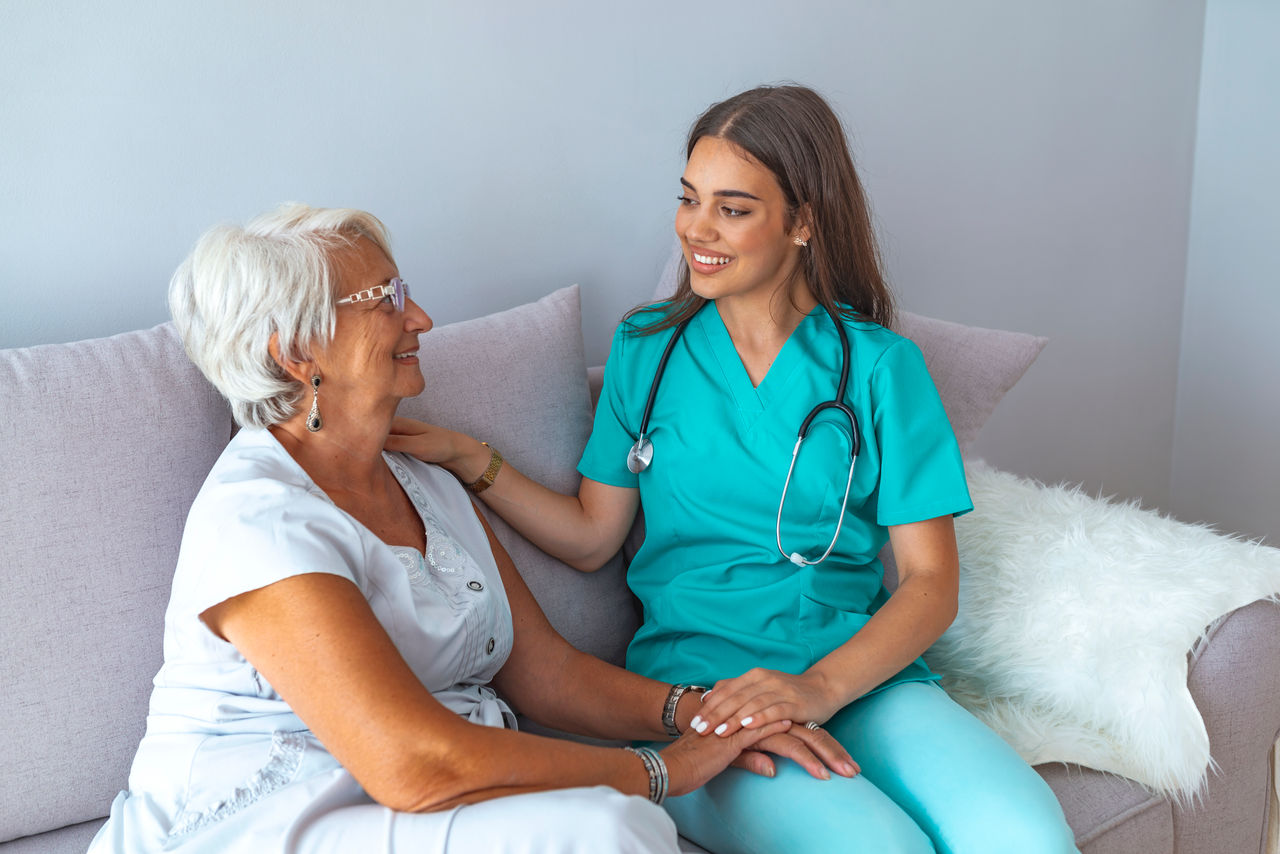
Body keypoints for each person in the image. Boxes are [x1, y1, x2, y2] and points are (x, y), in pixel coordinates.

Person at [388, 86, 1081, 853]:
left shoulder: (881, 369)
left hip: (858, 679)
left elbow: (930, 583)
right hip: (705, 694)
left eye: (733, 207)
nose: (697, 230)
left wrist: (818, 688)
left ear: (805, 220)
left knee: (1026, 836)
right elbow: (592, 537)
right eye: (689, 200)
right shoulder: (647, 351)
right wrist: (471, 460)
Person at [87, 203, 855, 854]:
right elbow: (410, 765)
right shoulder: (257, 518)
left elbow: (546, 672)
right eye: (384, 300)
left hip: (414, 795)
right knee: (603, 830)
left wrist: (708, 712)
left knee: (606, 828)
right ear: (293, 353)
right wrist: (666, 769)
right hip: (273, 821)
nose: (419, 317)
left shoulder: (423, 482)